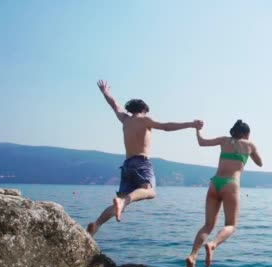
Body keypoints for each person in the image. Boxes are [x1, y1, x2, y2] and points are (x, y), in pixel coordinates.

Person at [87, 80, 203, 236]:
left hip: (127, 164)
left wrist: (105, 92)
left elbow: (114, 104)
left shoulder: (125, 119)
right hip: (141, 162)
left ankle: (96, 224)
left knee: (119, 204)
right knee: (150, 192)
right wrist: (190, 124)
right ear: (143, 109)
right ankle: (122, 202)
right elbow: (166, 126)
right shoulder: (145, 120)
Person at [186, 120, 263, 267]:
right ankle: (213, 244)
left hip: (215, 183)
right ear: (246, 133)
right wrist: (249, 151)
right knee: (231, 225)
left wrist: (197, 130)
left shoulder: (223, 140)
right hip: (231, 184)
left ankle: (193, 255)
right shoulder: (249, 145)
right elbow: (260, 163)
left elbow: (201, 142)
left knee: (208, 225)